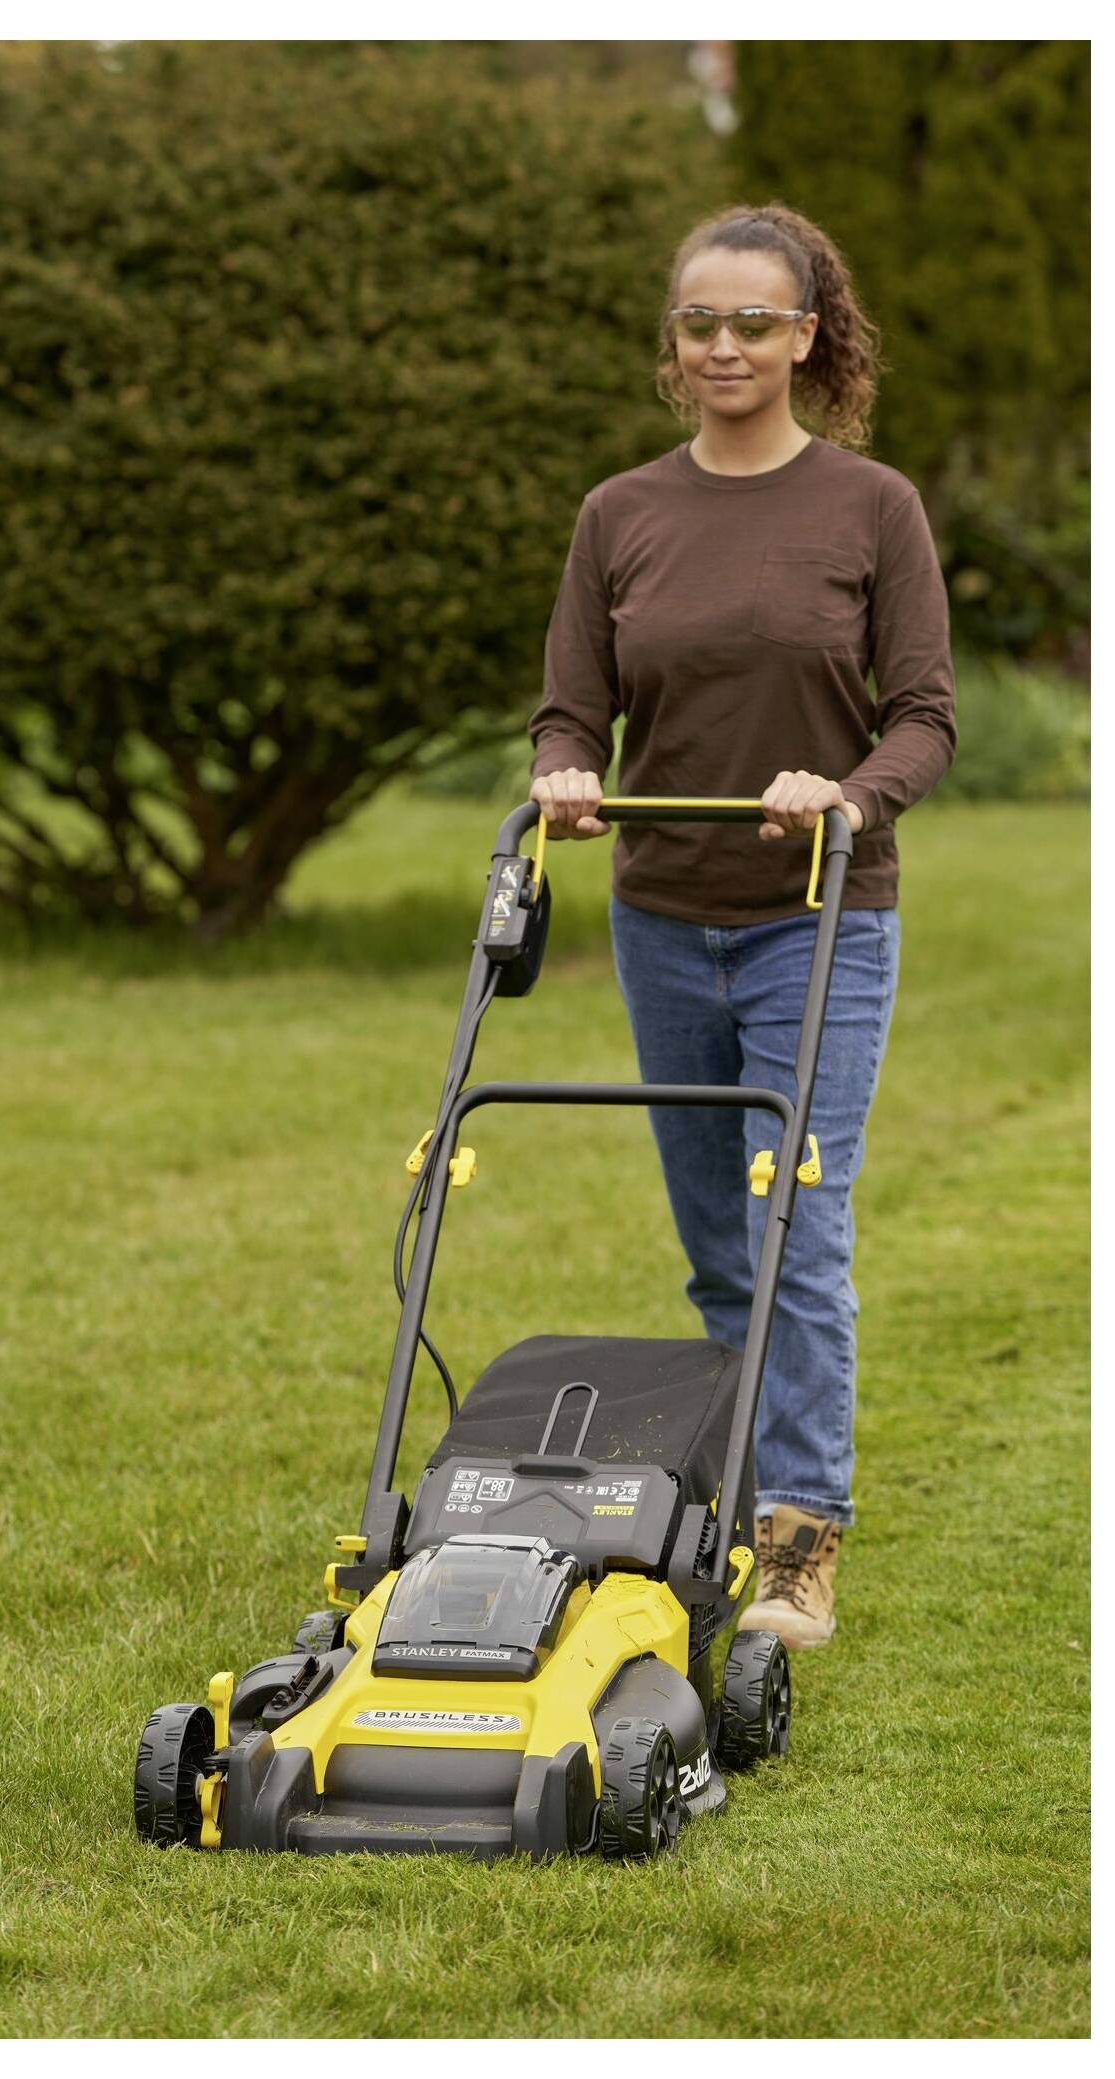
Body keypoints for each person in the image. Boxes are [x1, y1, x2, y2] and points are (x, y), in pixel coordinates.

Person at [528, 203, 956, 1649]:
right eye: (699, 322)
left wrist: (845, 790)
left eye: (755, 322)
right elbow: (572, 706)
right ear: (674, 341)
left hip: (818, 919)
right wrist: (563, 776)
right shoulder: (621, 514)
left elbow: (925, 720)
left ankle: (797, 1546)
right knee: (720, 1243)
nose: (725, 345)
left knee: (797, 1224)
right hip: (664, 914)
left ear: (809, 335)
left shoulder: (871, 508)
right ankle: (726, 1509)